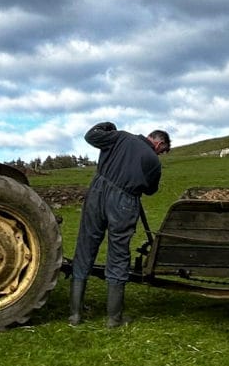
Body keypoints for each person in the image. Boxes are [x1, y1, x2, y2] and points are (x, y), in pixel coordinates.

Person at [70, 122, 170, 327]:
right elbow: (151, 190)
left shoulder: (120, 137)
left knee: (85, 247)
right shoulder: (153, 160)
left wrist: (107, 125)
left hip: (98, 192)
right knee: (118, 254)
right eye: (163, 151)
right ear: (159, 144)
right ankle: (114, 318)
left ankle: (75, 315)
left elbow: (90, 136)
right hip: (124, 202)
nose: (161, 154)